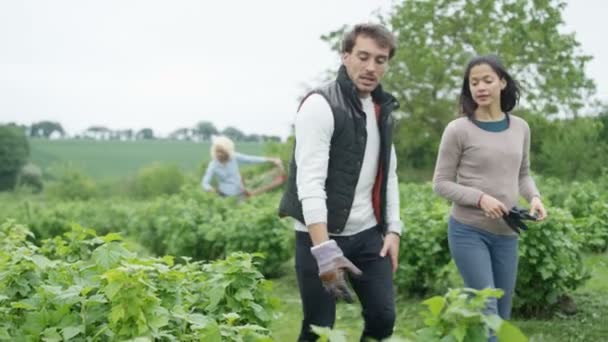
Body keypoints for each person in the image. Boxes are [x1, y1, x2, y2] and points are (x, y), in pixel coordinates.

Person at [279, 23, 403, 342]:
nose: (371, 67)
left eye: (380, 59)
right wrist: (324, 252)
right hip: (317, 237)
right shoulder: (320, 105)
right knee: (319, 328)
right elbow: (310, 184)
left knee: (383, 318)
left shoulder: (381, 109)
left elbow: (387, 173)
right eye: (363, 56)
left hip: (367, 234)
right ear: (345, 56)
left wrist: (393, 230)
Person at [432, 55, 548, 339]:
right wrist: (480, 198)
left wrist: (534, 197)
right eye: (474, 82)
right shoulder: (458, 129)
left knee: (501, 318)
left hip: (507, 233)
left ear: (502, 82)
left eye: (487, 80)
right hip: (469, 232)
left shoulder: (520, 128)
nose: (480, 87)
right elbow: (441, 183)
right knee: (487, 311)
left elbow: (522, 174)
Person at [201, 135, 282, 197]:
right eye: (217, 151)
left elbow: (250, 159)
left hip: (240, 193)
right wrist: (210, 189)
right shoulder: (213, 165)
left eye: (222, 152)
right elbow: (205, 183)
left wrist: (271, 159)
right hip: (224, 195)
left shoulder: (233, 157)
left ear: (227, 151)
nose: (219, 154)